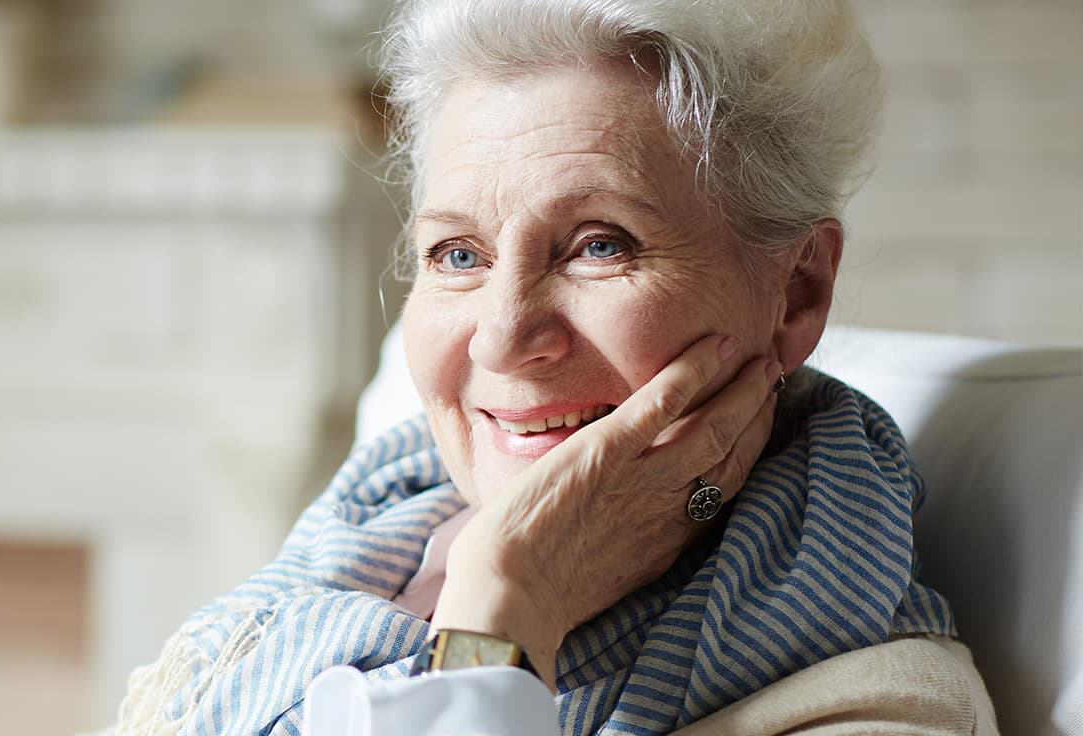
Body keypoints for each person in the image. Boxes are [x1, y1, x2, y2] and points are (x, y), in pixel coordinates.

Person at [113, 0, 1000, 733]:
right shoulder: (367, 540)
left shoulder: (876, 705)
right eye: (457, 254)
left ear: (797, 293)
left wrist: (502, 615)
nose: (501, 339)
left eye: (598, 246)